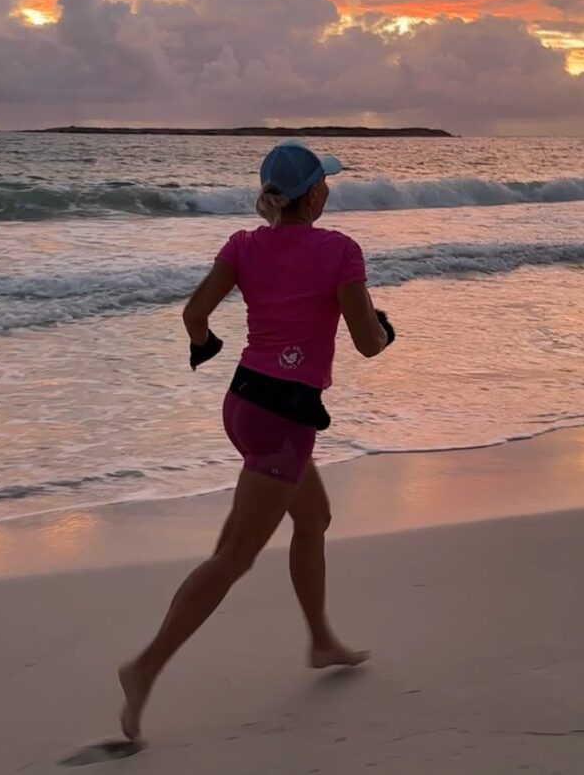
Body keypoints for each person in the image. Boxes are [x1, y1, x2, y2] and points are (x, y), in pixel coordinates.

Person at [118, 142, 396, 744]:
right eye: (326, 184)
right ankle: (144, 668)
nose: (330, 192)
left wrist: (204, 347)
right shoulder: (340, 251)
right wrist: (386, 328)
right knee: (233, 558)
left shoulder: (244, 245)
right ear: (315, 194)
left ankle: (320, 639)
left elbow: (195, 314)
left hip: (243, 405)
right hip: (283, 420)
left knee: (314, 516)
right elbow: (368, 344)